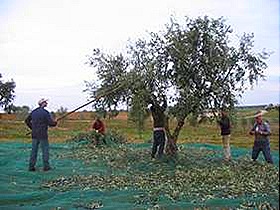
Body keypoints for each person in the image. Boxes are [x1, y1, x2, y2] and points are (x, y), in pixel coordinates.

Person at [25, 98, 57, 171]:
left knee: (34, 151)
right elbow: (51, 123)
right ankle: (46, 167)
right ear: (42, 103)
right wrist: (55, 123)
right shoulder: (45, 112)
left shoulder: (33, 112)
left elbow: (26, 121)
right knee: (45, 151)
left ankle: (31, 167)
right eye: (45, 102)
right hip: (43, 135)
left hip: (34, 135)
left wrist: (32, 128)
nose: (47, 103)